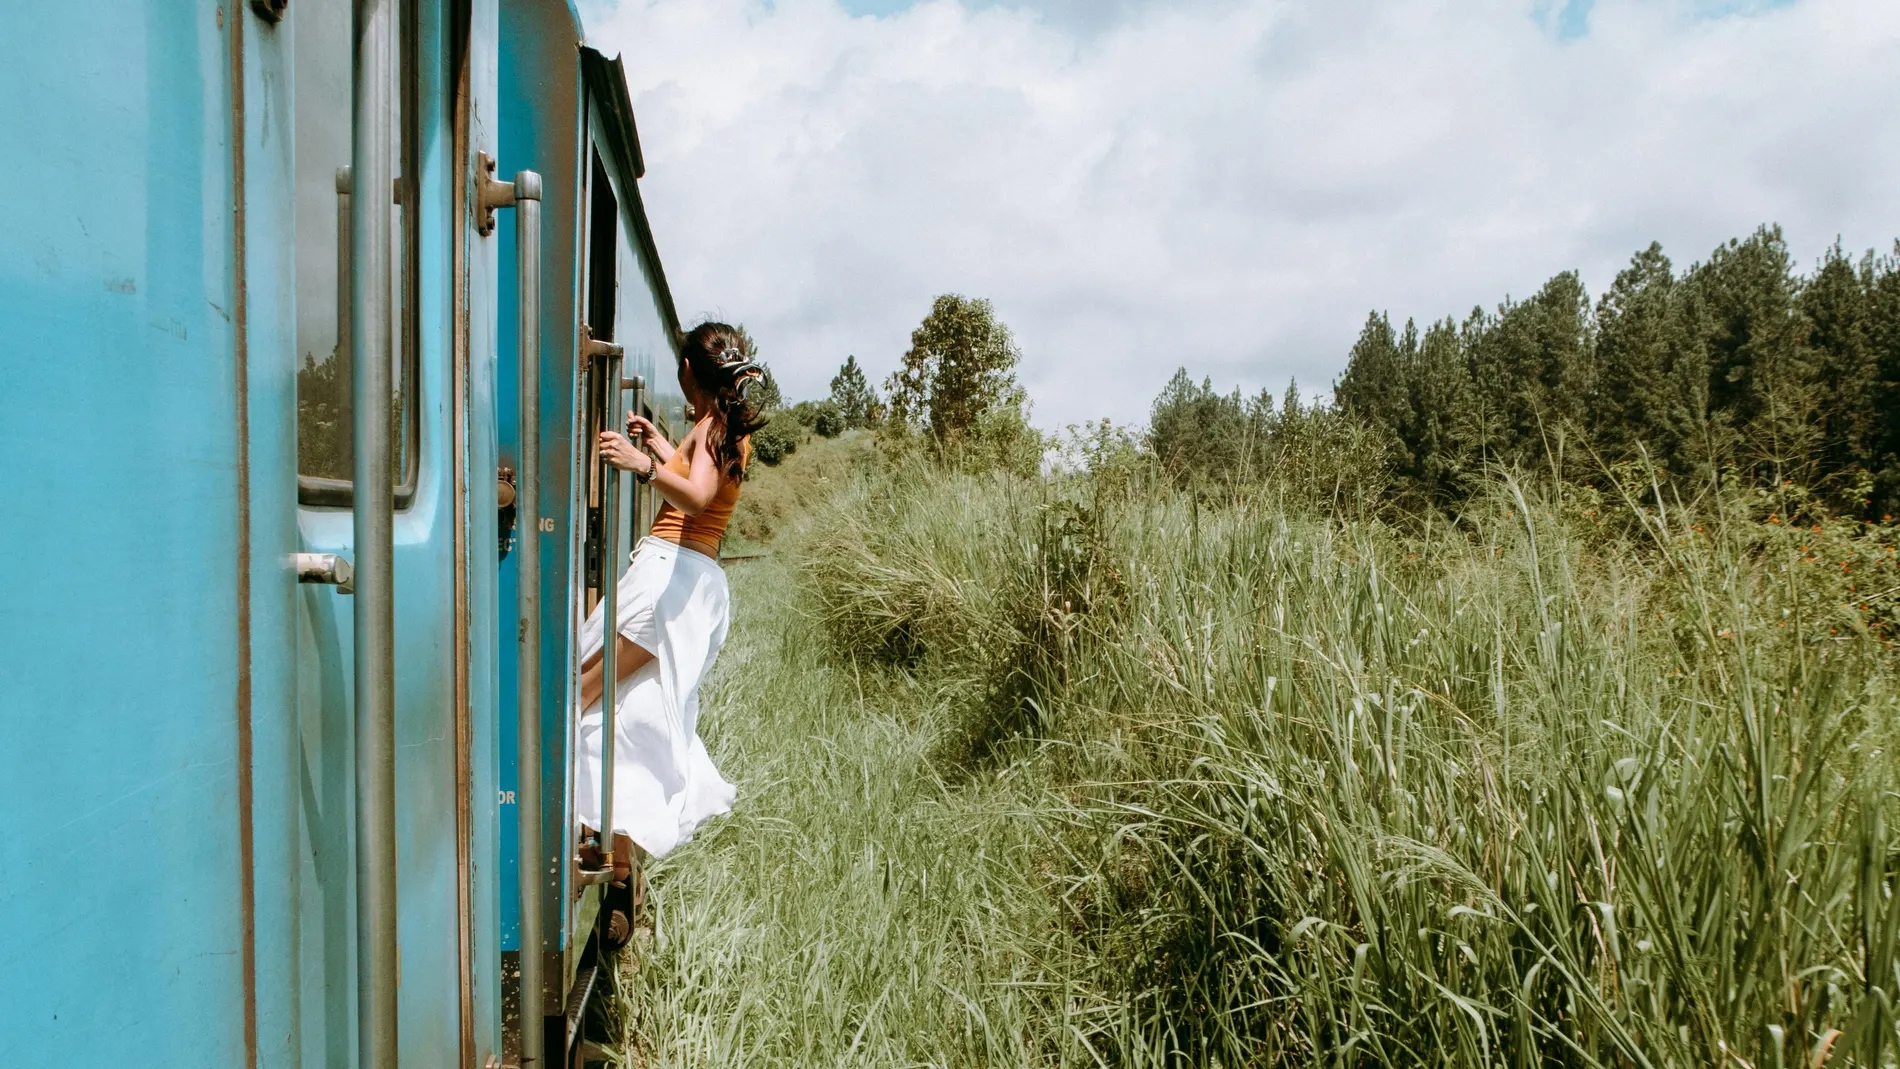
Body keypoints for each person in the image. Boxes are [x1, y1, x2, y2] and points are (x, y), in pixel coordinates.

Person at [572, 321, 771, 901]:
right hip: (693, 582)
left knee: (580, 695)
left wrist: (642, 465)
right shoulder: (727, 428)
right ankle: (617, 867)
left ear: (688, 371)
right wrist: (663, 447)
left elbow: (698, 497)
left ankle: (584, 846)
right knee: (630, 715)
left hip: (667, 578)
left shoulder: (710, 428)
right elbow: (701, 481)